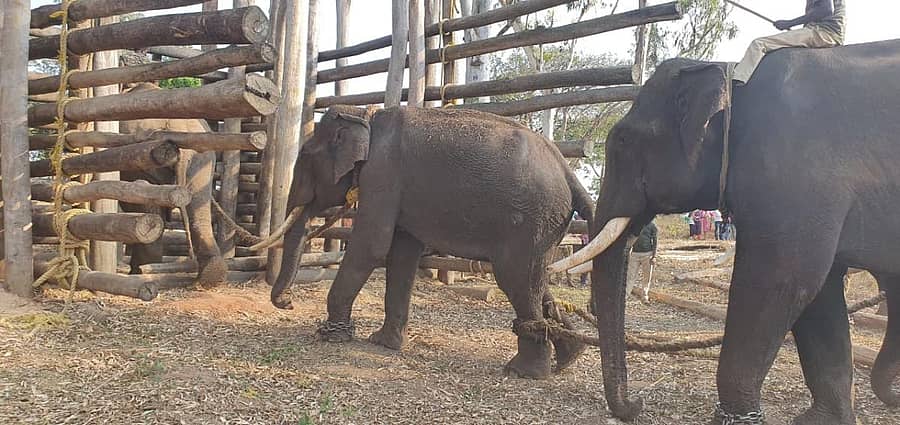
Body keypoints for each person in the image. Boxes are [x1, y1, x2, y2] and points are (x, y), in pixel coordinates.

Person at [733, 0, 846, 84]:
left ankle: (736, 81)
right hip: (825, 32)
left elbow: (826, 10)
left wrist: (789, 23)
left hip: (822, 33)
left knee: (759, 44)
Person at [626, 221, 657, 304]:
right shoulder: (634, 224)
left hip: (648, 254)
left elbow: (655, 241)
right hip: (634, 254)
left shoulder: (652, 225)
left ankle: (644, 296)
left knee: (647, 277)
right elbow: (629, 239)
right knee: (630, 276)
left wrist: (654, 256)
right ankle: (625, 295)